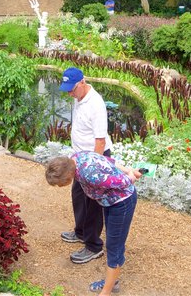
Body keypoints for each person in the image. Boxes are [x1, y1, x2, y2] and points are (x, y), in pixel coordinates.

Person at [46, 151, 141, 295]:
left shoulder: (89, 174)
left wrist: (131, 176)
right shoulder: (76, 157)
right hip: (111, 202)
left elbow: (122, 182)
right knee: (112, 244)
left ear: (66, 177)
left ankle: (106, 292)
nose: (60, 187)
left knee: (114, 246)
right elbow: (108, 160)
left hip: (121, 203)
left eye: (60, 184)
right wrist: (128, 169)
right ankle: (112, 281)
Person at [59, 66, 112, 264]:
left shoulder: (96, 104)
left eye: (72, 89)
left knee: (93, 203)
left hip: (95, 158)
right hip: (80, 159)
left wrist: (94, 168)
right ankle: (80, 232)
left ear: (82, 82)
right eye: (67, 90)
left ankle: (93, 246)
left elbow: (100, 141)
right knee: (78, 196)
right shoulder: (78, 97)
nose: (70, 93)